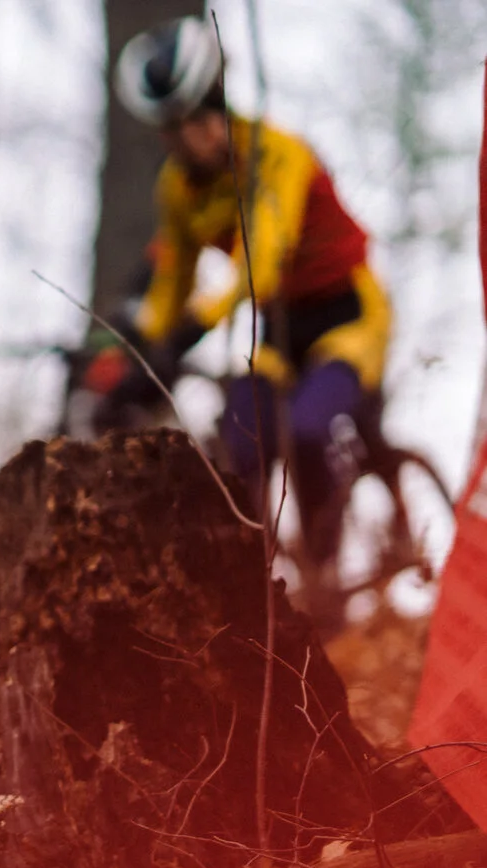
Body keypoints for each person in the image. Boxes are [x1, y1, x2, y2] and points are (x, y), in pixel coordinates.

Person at [99, 19, 391, 579]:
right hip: (280, 332)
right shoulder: (177, 189)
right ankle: (251, 577)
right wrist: (141, 353)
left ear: (221, 106)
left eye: (199, 120)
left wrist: (194, 327)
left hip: (348, 317)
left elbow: (261, 257)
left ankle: (326, 573)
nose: (191, 140)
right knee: (240, 439)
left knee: (307, 429)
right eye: (174, 130)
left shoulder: (278, 155)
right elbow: (172, 283)